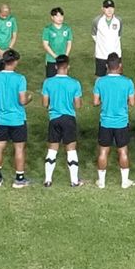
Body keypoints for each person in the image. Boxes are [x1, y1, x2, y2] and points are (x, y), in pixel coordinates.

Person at [0, 49, 32, 188]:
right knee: (19, 148)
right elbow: (22, 100)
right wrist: (30, 98)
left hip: (1, 119)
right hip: (17, 119)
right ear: (15, 61)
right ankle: (19, 178)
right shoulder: (20, 78)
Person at [93, 53, 135, 189]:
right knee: (123, 151)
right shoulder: (127, 82)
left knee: (103, 152)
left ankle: (102, 182)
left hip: (105, 122)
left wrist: (103, 100)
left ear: (106, 66)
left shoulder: (100, 82)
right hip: (121, 122)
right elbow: (132, 102)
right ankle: (124, 182)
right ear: (120, 66)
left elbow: (95, 102)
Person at [42, 55, 84, 187]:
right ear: (68, 67)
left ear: (55, 66)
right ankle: (74, 180)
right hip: (69, 119)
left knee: (52, 149)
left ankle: (48, 180)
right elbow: (77, 105)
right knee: (71, 150)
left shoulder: (48, 82)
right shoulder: (75, 83)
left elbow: (44, 103)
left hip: (54, 119)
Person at [92, 0, 122, 77]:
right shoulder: (97, 21)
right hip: (101, 55)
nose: (109, 10)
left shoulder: (119, 20)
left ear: (114, 9)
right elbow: (94, 35)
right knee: (99, 77)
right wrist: (101, 44)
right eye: (106, 7)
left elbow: (119, 35)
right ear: (102, 9)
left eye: (111, 7)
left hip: (116, 55)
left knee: (116, 77)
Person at [42, 7, 73, 78]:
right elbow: (45, 45)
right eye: (57, 16)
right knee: (51, 79)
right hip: (51, 59)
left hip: (63, 59)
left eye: (61, 15)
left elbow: (69, 43)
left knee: (63, 79)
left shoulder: (67, 28)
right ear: (52, 17)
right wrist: (55, 56)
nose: (60, 18)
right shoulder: (47, 29)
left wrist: (66, 55)